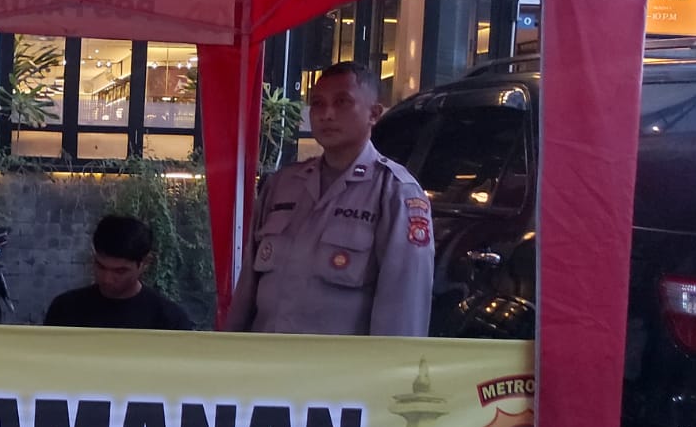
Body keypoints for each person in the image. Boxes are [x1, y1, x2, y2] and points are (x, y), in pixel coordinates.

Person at [223, 62, 433, 336]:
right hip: (266, 356)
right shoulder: (283, 185)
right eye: (318, 104)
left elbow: (403, 310)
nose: (326, 114)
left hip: (339, 362)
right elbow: (247, 293)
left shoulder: (395, 192)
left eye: (342, 102)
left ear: (374, 114)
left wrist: (391, 364)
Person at [43, 215, 194, 331]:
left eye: (120, 271)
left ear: (145, 263)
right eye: (100, 266)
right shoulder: (65, 309)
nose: (107, 279)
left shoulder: (169, 320)